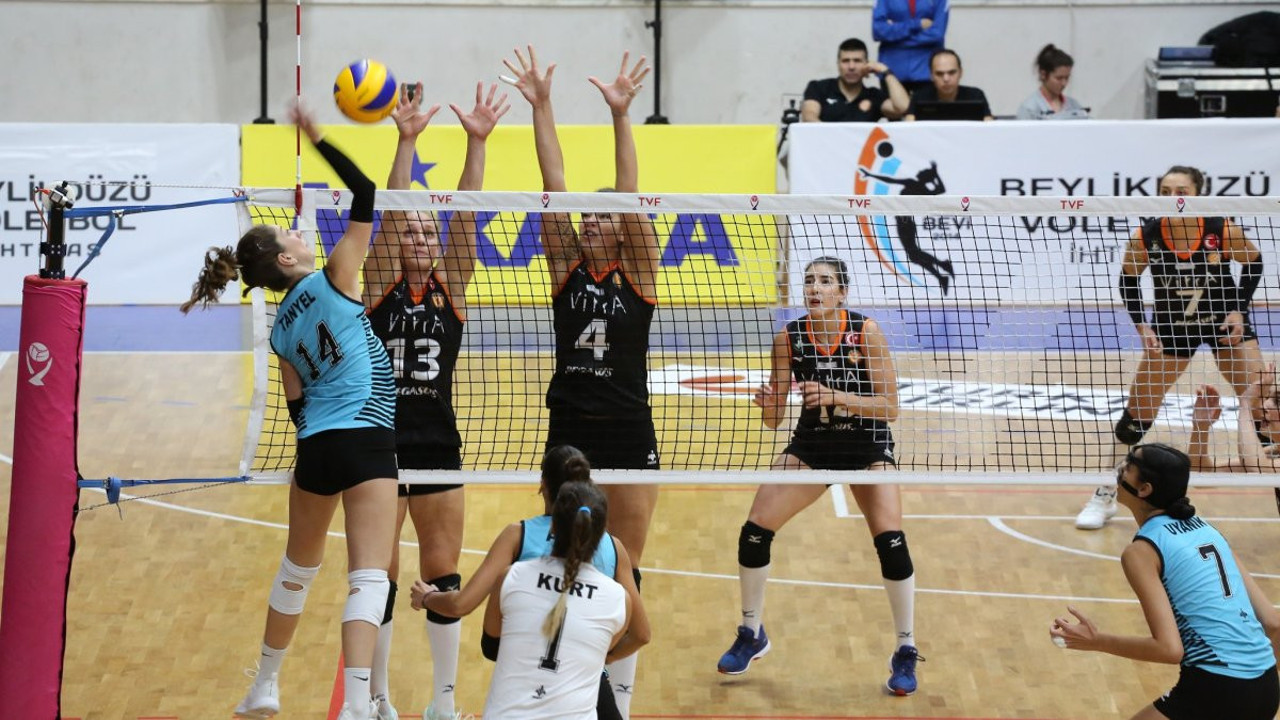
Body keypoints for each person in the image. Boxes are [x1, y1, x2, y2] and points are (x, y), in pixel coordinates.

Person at [182, 105, 397, 720]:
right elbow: (365, 190)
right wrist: (316, 134)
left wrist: (323, 440)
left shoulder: (279, 330)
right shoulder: (337, 276)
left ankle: (266, 685)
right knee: (368, 578)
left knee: (297, 569)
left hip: (318, 449)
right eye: (292, 236)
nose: (303, 235)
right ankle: (357, 705)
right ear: (284, 259)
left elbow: (297, 404)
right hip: (366, 437)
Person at [502, 45, 658, 718]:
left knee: (625, 565)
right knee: (565, 556)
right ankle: (559, 680)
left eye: (603, 215)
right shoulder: (565, 269)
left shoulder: (639, 272)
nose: (592, 220)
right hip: (569, 431)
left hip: (628, 428)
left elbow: (630, 195)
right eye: (586, 215)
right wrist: (542, 105)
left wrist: (621, 115)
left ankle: (617, 699)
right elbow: (553, 182)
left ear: (620, 228)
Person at [362, 81, 508, 720]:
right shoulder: (377, 283)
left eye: (429, 230)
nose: (420, 236)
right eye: (413, 230)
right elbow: (391, 215)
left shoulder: (452, 286)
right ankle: (377, 695)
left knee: (443, 571)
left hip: (438, 442)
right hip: (380, 442)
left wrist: (477, 143)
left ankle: (443, 700)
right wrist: (406, 140)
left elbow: (466, 216)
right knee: (380, 574)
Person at [715, 257, 923, 696]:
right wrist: (769, 404)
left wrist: (835, 395)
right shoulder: (788, 338)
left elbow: (890, 407)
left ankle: (905, 648)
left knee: (891, 542)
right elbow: (774, 420)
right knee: (754, 532)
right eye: (809, 281)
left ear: (842, 293)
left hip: (867, 448)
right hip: (813, 447)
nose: (815, 288)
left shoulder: (865, 333)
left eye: (825, 281)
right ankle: (751, 632)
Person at [1075, 165, 1265, 530]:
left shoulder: (1221, 229)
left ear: (1197, 196)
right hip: (1171, 329)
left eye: (1182, 191)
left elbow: (1254, 263)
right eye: (1165, 191)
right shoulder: (1145, 236)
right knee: (1134, 420)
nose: (1173, 197)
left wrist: (1239, 310)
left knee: (1266, 407)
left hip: (1223, 324)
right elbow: (1128, 281)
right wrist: (1141, 325)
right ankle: (1105, 494)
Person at [410, 445, 650, 719]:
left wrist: (427, 597)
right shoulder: (614, 548)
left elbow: (463, 609)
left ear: (542, 485)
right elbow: (641, 634)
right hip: (584, 683)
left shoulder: (517, 542)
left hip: (522, 681)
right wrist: (598, 656)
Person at [1051, 443, 1280, 720]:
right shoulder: (1208, 531)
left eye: (1129, 465)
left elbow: (1169, 649)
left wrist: (1097, 641)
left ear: (1144, 489)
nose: (1121, 468)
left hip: (1217, 685)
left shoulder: (1142, 551)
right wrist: (1251, 682)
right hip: (1267, 685)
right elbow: (1273, 623)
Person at [477, 481, 631, 719]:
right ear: (601, 535)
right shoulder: (618, 599)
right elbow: (611, 647)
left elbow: (490, 646)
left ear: (552, 527)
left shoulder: (512, 577)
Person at [1186, 367, 1280, 516]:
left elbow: (1257, 470)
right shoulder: (1274, 452)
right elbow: (1204, 474)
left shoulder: (1265, 463)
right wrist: (1201, 427)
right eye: (1269, 398)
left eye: (1277, 402)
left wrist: (1245, 404)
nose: (1265, 406)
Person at [801, 38, 910, 123]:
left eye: (857, 61)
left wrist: (885, 71)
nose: (851, 67)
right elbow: (809, 117)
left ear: (866, 64)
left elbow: (903, 108)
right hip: (826, 144)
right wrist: (833, 137)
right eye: (845, 61)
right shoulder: (818, 88)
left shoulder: (874, 95)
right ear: (838, 64)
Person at [872, 0, 949, 94]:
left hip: (926, 71)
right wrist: (917, 24)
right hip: (892, 70)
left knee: (927, 104)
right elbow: (878, 31)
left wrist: (895, 37)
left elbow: (937, 34)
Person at [903, 49, 993, 121]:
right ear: (931, 76)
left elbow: (989, 126)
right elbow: (909, 126)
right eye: (939, 74)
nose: (946, 79)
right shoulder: (919, 97)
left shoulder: (976, 96)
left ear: (961, 73)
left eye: (952, 72)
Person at [1015, 44, 1089, 120]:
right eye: (1059, 78)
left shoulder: (1074, 106)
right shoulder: (1029, 109)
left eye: (1067, 78)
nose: (1064, 83)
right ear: (1043, 74)